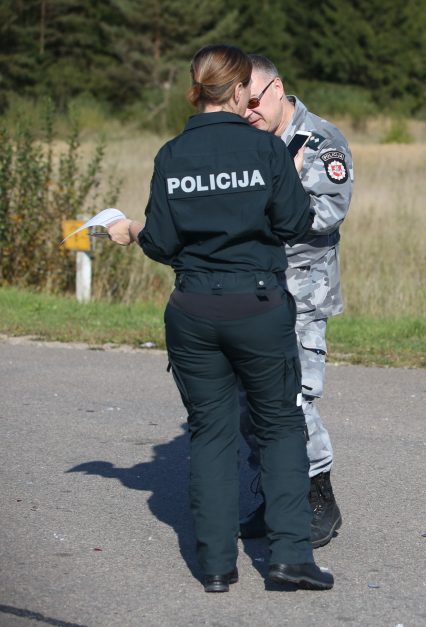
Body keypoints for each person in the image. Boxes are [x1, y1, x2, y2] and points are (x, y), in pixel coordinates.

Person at [105, 44, 333, 593]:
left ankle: (214, 566)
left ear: (196, 91)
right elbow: (298, 223)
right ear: (236, 92)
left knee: (209, 433)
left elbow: (160, 242)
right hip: (256, 304)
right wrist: (283, 179)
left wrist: (132, 230)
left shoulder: (171, 154)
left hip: (193, 307)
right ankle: (290, 558)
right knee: (279, 427)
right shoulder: (266, 149)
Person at [236, 54, 353, 549]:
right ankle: (276, 496)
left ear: (278, 87)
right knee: (253, 403)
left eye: (255, 101)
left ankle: (317, 497)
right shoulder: (249, 140)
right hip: (252, 291)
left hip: (301, 291)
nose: (249, 112)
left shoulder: (320, 141)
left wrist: (267, 202)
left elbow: (326, 213)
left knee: (293, 399)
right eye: (241, 105)